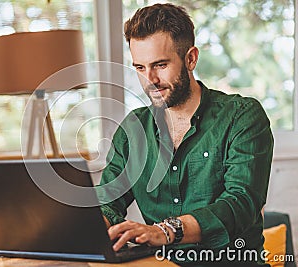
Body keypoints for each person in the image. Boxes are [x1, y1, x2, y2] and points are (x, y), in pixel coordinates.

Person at [97, 3, 274, 266]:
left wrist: (165, 231)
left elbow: (241, 202)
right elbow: (107, 202)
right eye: (140, 68)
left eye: (160, 65)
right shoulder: (134, 128)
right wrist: (87, 227)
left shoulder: (242, 116)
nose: (150, 80)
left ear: (190, 58)